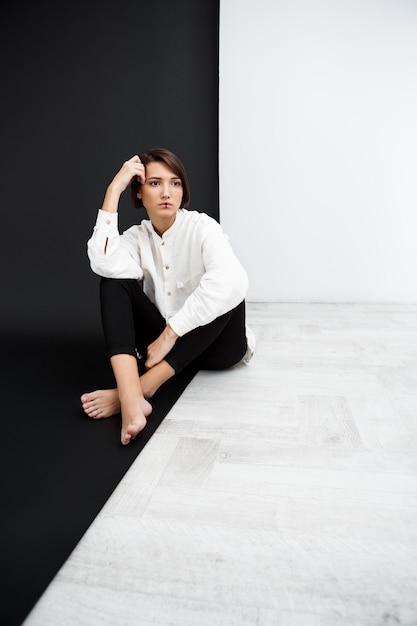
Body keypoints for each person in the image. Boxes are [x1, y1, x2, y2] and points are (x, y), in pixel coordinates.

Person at [80, 148, 255, 445]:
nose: (167, 192)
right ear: (139, 192)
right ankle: (132, 399)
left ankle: (137, 391)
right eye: (155, 183)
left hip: (218, 349)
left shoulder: (201, 227)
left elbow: (234, 282)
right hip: (157, 349)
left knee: (228, 289)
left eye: (175, 183)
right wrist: (114, 189)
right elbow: (103, 261)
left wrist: (171, 333)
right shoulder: (135, 239)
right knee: (112, 281)